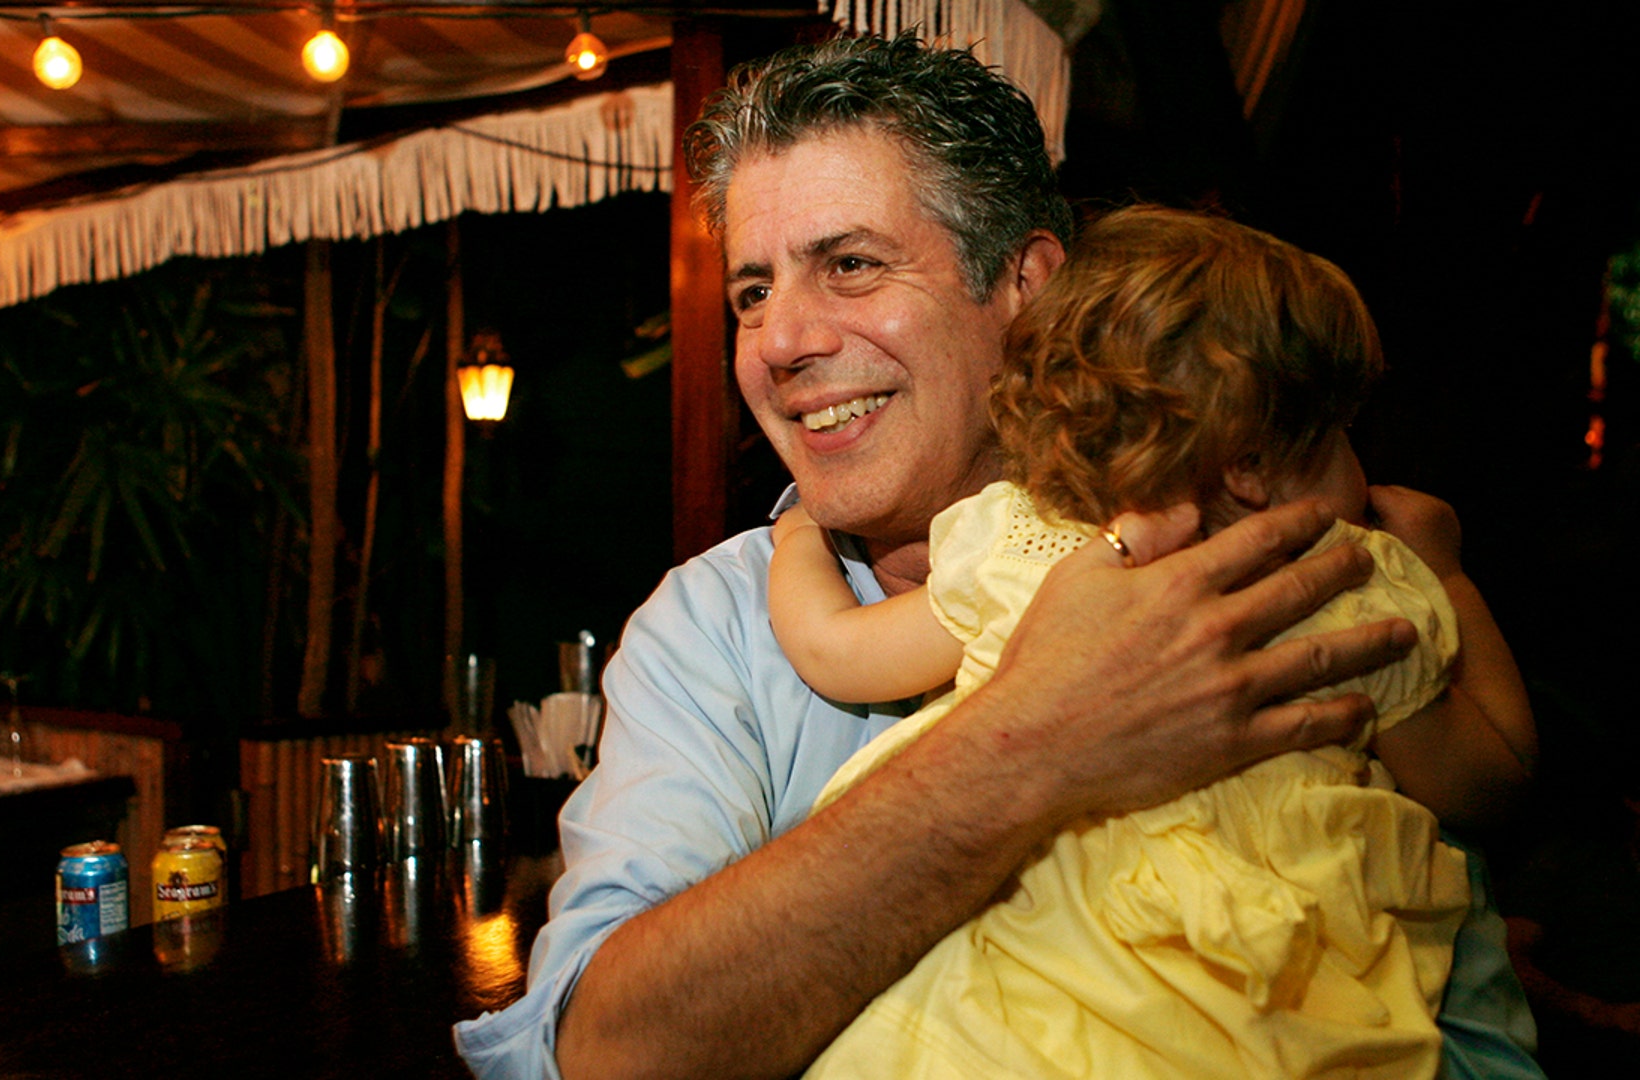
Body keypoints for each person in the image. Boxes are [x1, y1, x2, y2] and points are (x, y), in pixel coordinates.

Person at [454, 32, 1542, 1080]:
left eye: (849, 264)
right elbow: (606, 1052)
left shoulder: (1260, 563)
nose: (780, 342)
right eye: (752, 292)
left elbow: (1468, 1028)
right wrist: (1036, 743)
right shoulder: (712, 628)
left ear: (1025, 285)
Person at [767, 206, 1538, 1079]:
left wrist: (799, 535)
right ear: (1251, 464)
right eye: (1338, 433)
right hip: (1243, 1012)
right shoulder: (1347, 586)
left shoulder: (1027, 542)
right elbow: (1491, 778)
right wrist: (1451, 575)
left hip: (1009, 995)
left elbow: (833, 647)